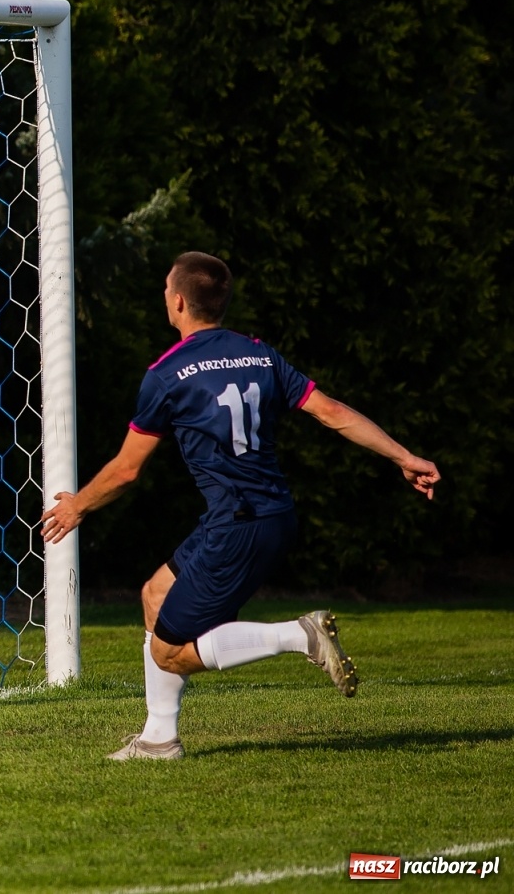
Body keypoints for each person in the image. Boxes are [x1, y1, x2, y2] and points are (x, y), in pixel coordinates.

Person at [40, 252, 439, 759]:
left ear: (179, 301)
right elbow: (332, 412)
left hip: (238, 527)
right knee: (153, 595)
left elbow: (126, 470)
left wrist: (76, 507)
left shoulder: (167, 374)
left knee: (168, 653)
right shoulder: (258, 355)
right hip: (264, 517)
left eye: (166, 288)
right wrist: (404, 456)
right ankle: (159, 739)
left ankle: (299, 636)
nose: (164, 294)